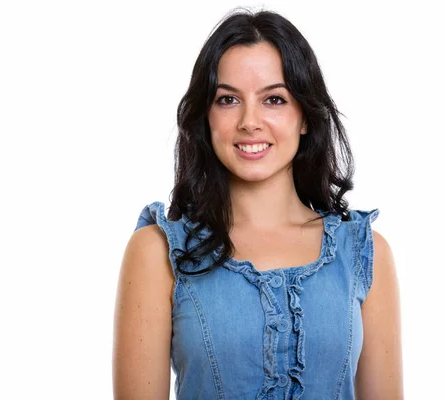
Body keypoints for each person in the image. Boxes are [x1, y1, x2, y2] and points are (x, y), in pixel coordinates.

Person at [112, 9, 403, 400]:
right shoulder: (157, 252)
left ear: (304, 117)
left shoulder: (364, 254)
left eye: (274, 99)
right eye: (228, 99)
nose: (250, 121)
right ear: (206, 117)